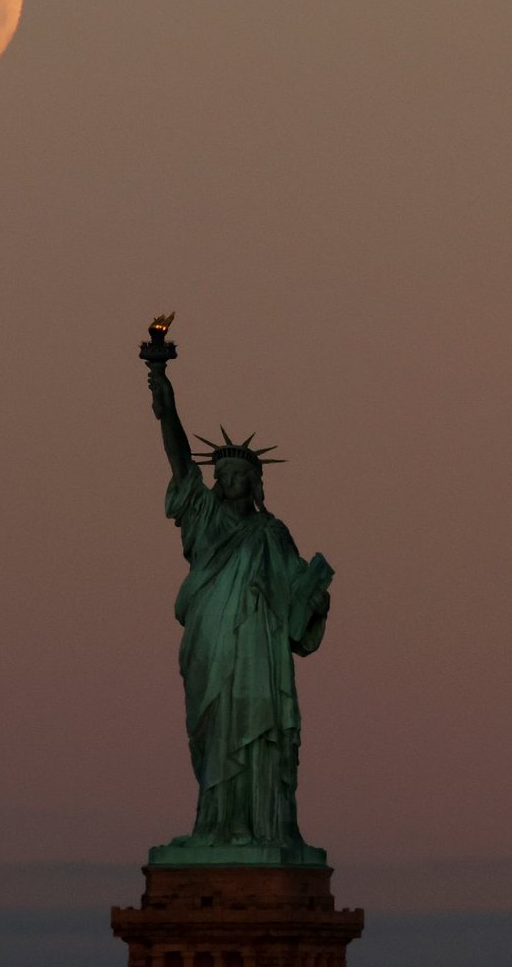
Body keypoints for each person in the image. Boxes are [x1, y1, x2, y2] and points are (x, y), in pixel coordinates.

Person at [147, 357, 332, 858]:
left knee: (256, 730)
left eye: (237, 475)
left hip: (258, 650)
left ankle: (263, 828)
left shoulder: (272, 533)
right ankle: (216, 825)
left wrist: (315, 594)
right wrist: (167, 406)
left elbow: (298, 593)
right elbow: (180, 462)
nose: (228, 481)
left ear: (254, 483)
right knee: (212, 730)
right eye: (222, 474)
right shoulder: (203, 516)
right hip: (210, 639)